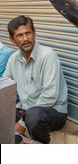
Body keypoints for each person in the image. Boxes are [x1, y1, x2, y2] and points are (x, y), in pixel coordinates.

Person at [3, 15, 68, 144]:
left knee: (33, 116)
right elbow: (5, 84)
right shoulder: (13, 58)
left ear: (34, 33)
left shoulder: (48, 55)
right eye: (20, 35)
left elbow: (49, 96)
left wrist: (22, 123)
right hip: (25, 109)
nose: (26, 39)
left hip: (52, 111)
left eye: (28, 33)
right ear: (12, 39)